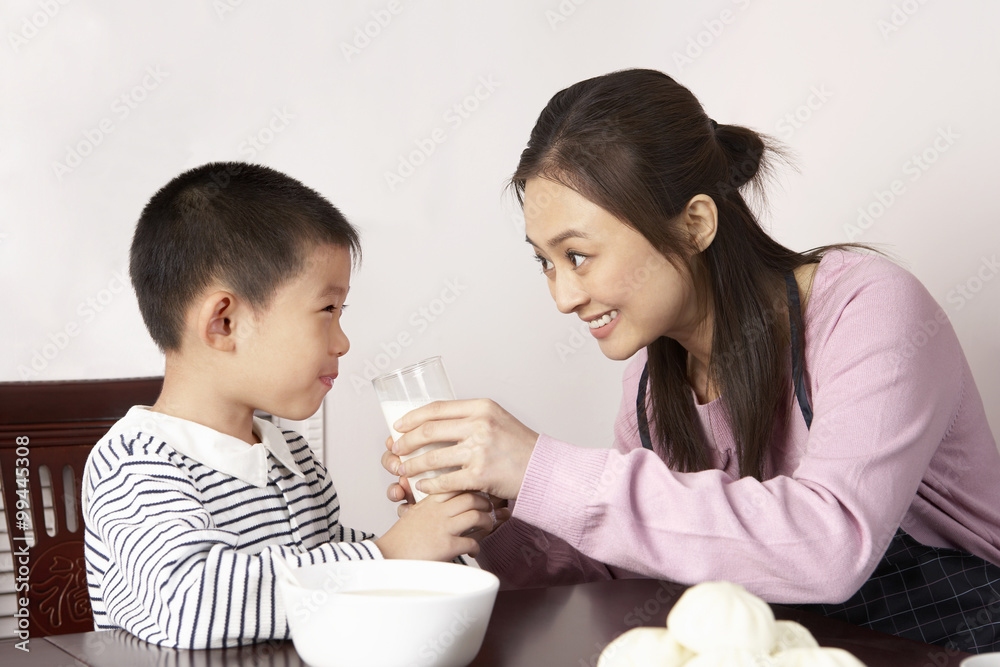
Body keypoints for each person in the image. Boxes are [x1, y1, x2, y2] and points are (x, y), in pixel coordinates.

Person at [381, 69, 1000, 652]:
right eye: (544, 261)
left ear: (696, 223)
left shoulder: (865, 307)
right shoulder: (651, 388)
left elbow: (831, 547)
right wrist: (502, 518)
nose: (563, 296)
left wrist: (541, 466)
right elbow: (628, 583)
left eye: (578, 255)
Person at [82, 162, 494, 649]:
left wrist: (435, 535)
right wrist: (389, 554)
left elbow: (334, 575)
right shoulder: (135, 463)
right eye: (326, 311)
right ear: (224, 323)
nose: (342, 342)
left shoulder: (292, 457)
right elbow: (188, 602)